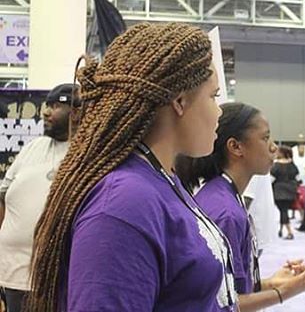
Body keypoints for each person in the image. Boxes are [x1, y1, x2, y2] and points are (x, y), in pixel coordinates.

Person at [26, 23, 238, 312]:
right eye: (213, 96)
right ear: (180, 101)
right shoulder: (124, 202)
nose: (220, 110)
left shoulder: (160, 178)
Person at [176, 102, 305, 312]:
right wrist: (284, 292)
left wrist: (270, 283)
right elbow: (221, 303)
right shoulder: (226, 213)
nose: (274, 147)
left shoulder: (225, 197)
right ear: (236, 147)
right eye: (265, 138)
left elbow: (230, 288)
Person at [0, 84, 77, 312]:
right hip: (14, 274)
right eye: (47, 105)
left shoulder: (85, 154)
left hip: (55, 278)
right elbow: (3, 196)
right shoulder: (34, 147)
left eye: (56, 106)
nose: (45, 112)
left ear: (77, 111)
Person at [271, 145, 299, 240]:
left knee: (283, 211)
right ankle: (281, 229)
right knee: (284, 210)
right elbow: (298, 178)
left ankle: (289, 231)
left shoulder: (276, 165)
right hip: (291, 190)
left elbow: (272, 178)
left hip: (279, 190)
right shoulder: (292, 164)